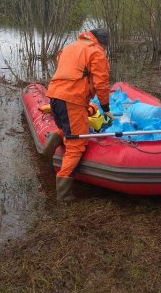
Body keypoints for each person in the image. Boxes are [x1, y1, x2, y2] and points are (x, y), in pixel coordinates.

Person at [42, 29, 113, 203]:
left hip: (55, 96)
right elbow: (101, 83)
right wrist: (105, 108)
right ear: (103, 43)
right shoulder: (96, 52)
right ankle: (64, 195)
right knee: (76, 144)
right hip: (71, 100)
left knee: (67, 129)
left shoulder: (71, 46)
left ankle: (50, 144)